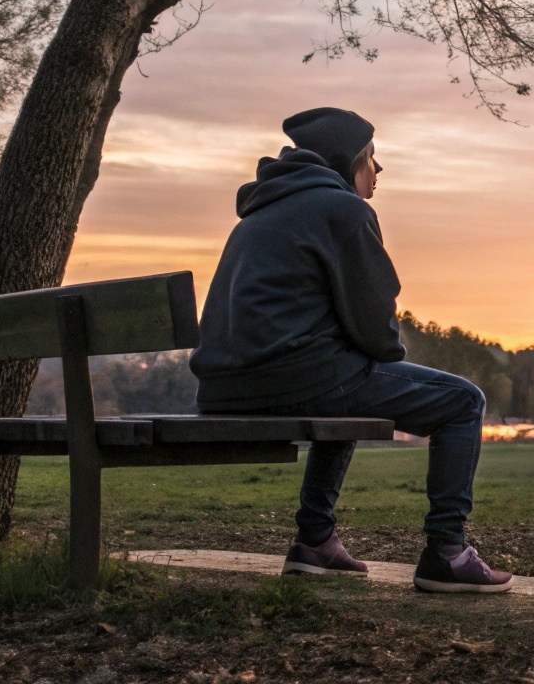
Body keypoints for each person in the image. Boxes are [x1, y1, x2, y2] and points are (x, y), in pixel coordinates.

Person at [190, 107, 513, 593]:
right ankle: (447, 551)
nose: (378, 170)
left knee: (341, 383)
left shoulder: (258, 215)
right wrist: (380, 348)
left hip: (224, 389)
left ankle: (316, 540)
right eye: (372, 157)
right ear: (349, 161)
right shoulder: (345, 210)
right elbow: (376, 325)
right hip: (296, 378)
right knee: (464, 401)